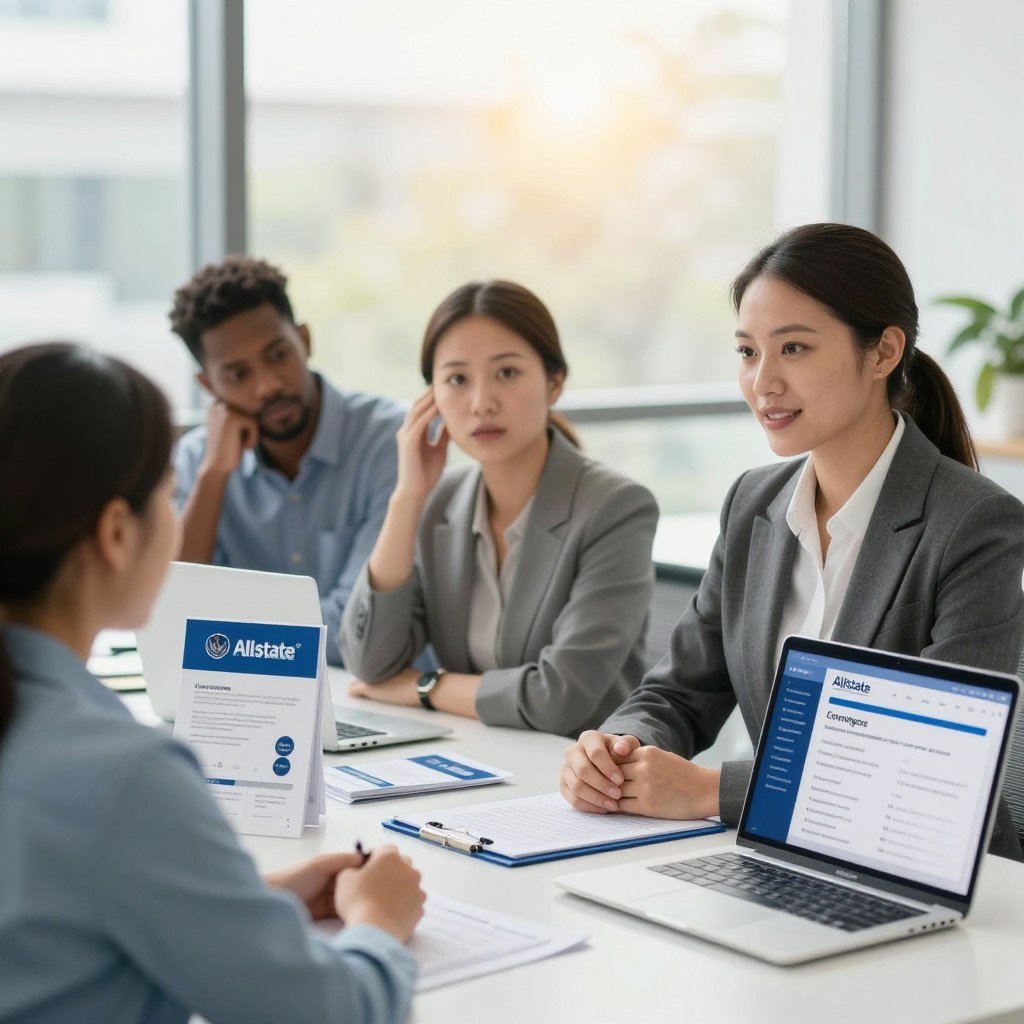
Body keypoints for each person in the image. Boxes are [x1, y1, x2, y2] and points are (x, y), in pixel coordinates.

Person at [560, 223, 1024, 858]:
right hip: (777, 856)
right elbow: (678, 693)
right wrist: (618, 751)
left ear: (884, 352)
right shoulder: (754, 502)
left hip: (927, 869)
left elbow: (927, 761)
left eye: (795, 349)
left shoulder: (976, 523)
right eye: (748, 352)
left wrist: (708, 792)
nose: (763, 382)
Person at [0, 343, 425, 1023]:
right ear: (116, 532)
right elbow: (330, 1012)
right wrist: (379, 922)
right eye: (168, 493)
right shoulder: (124, 776)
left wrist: (243, 899)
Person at [339, 280, 658, 736]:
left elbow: (559, 698)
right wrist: (407, 497)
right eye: (457, 379)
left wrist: (425, 687)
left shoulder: (616, 508)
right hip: (480, 759)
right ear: (430, 399)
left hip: (584, 779)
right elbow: (371, 663)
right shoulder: (438, 503)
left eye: (506, 373)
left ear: (554, 382)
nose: (481, 403)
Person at [169, 256, 406, 665]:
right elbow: (175, 622)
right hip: (249, 704)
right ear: (208, 385)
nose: (268, 386)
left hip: (376, 696)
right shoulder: (197, 461)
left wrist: (233, 641)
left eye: (278, 355)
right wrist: (214, 477)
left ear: (305, 340)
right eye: (237, 375)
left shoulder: (387, 439)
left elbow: (355, 631)